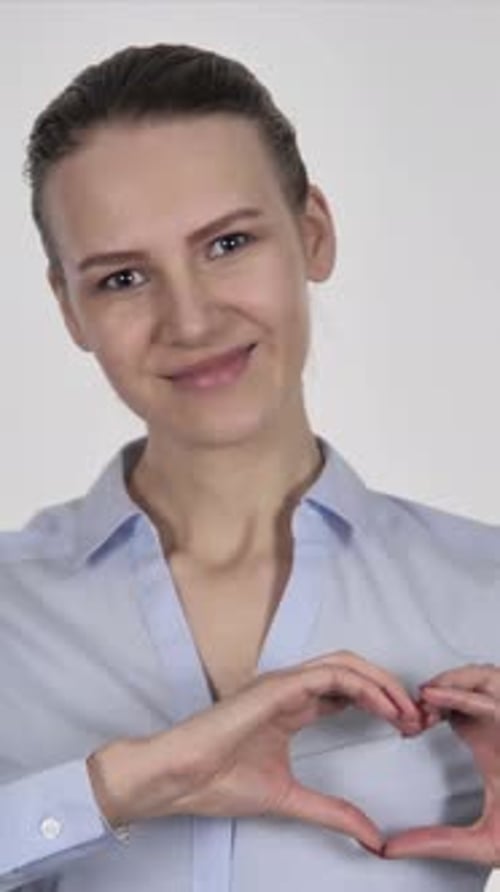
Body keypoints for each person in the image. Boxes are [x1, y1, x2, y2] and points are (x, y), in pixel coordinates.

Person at [0, 42, 498, 892]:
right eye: (122, 277)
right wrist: (120, 786)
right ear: (70, 309)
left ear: (313, 235)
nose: (189, 319)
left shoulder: (485, 587)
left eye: (228, 242)